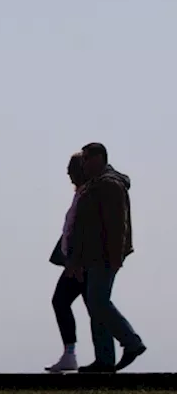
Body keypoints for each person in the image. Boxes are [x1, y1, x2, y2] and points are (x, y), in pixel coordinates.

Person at [68, 142, 145, 372]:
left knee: (98, 302)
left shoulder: (109, 185)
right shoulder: (95, 185)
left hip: (103, 255)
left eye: (86, 160)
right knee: (95, 304)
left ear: (98, 158)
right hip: (92, 255)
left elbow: (116, 224)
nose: (83, 165)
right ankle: (104, 359)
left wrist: (114, 256)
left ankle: (131, 342)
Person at [45, 152, 89, 373]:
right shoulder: (80, 194)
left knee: (61, 301)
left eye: (71, 168)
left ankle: (71, 354)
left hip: (79, 263)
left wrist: (75, 260)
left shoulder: (88, 195)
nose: (67, 173)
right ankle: (71, 353)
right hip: (74, 261)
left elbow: (82, 231)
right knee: (92, 306)